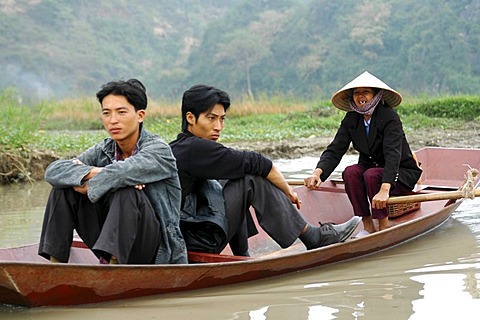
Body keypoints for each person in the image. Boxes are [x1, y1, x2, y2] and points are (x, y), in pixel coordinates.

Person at [169, 84, 361, 256]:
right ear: (190, 118)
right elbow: (260, 163)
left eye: (222, 119)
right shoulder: (195, 149)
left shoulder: (180, 147)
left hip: (191, 233)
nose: (218, 127)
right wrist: (288, 191)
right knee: (250, 179)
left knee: (234, 176)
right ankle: (312, 236)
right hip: (197, 241)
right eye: (211, 118)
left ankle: (242, 254)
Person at [38, 79, 187, 264]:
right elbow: (54, 171)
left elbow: (122, 173)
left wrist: (95, 176)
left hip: (155, 250)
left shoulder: (159, 150)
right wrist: (97, 172)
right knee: (64, 188)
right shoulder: (104, 150)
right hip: (108, 239)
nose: (113, 120)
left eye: (121, 112)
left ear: (140, 115)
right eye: (106, 113)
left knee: (126, 190)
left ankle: (114, 269)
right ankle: (55, 265)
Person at [304, 71, 422, 234]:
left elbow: (393, 155)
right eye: (357, 93)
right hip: (371, 171)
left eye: (365, 92)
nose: (361, 96)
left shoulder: (389, 117)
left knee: (372, 175)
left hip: (399, 172)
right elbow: (335, 149)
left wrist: (384, 190)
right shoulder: (352, 118)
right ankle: (367, 226)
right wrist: (318, 173)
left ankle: (383, 225)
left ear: (376, 95)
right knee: (351, 172)